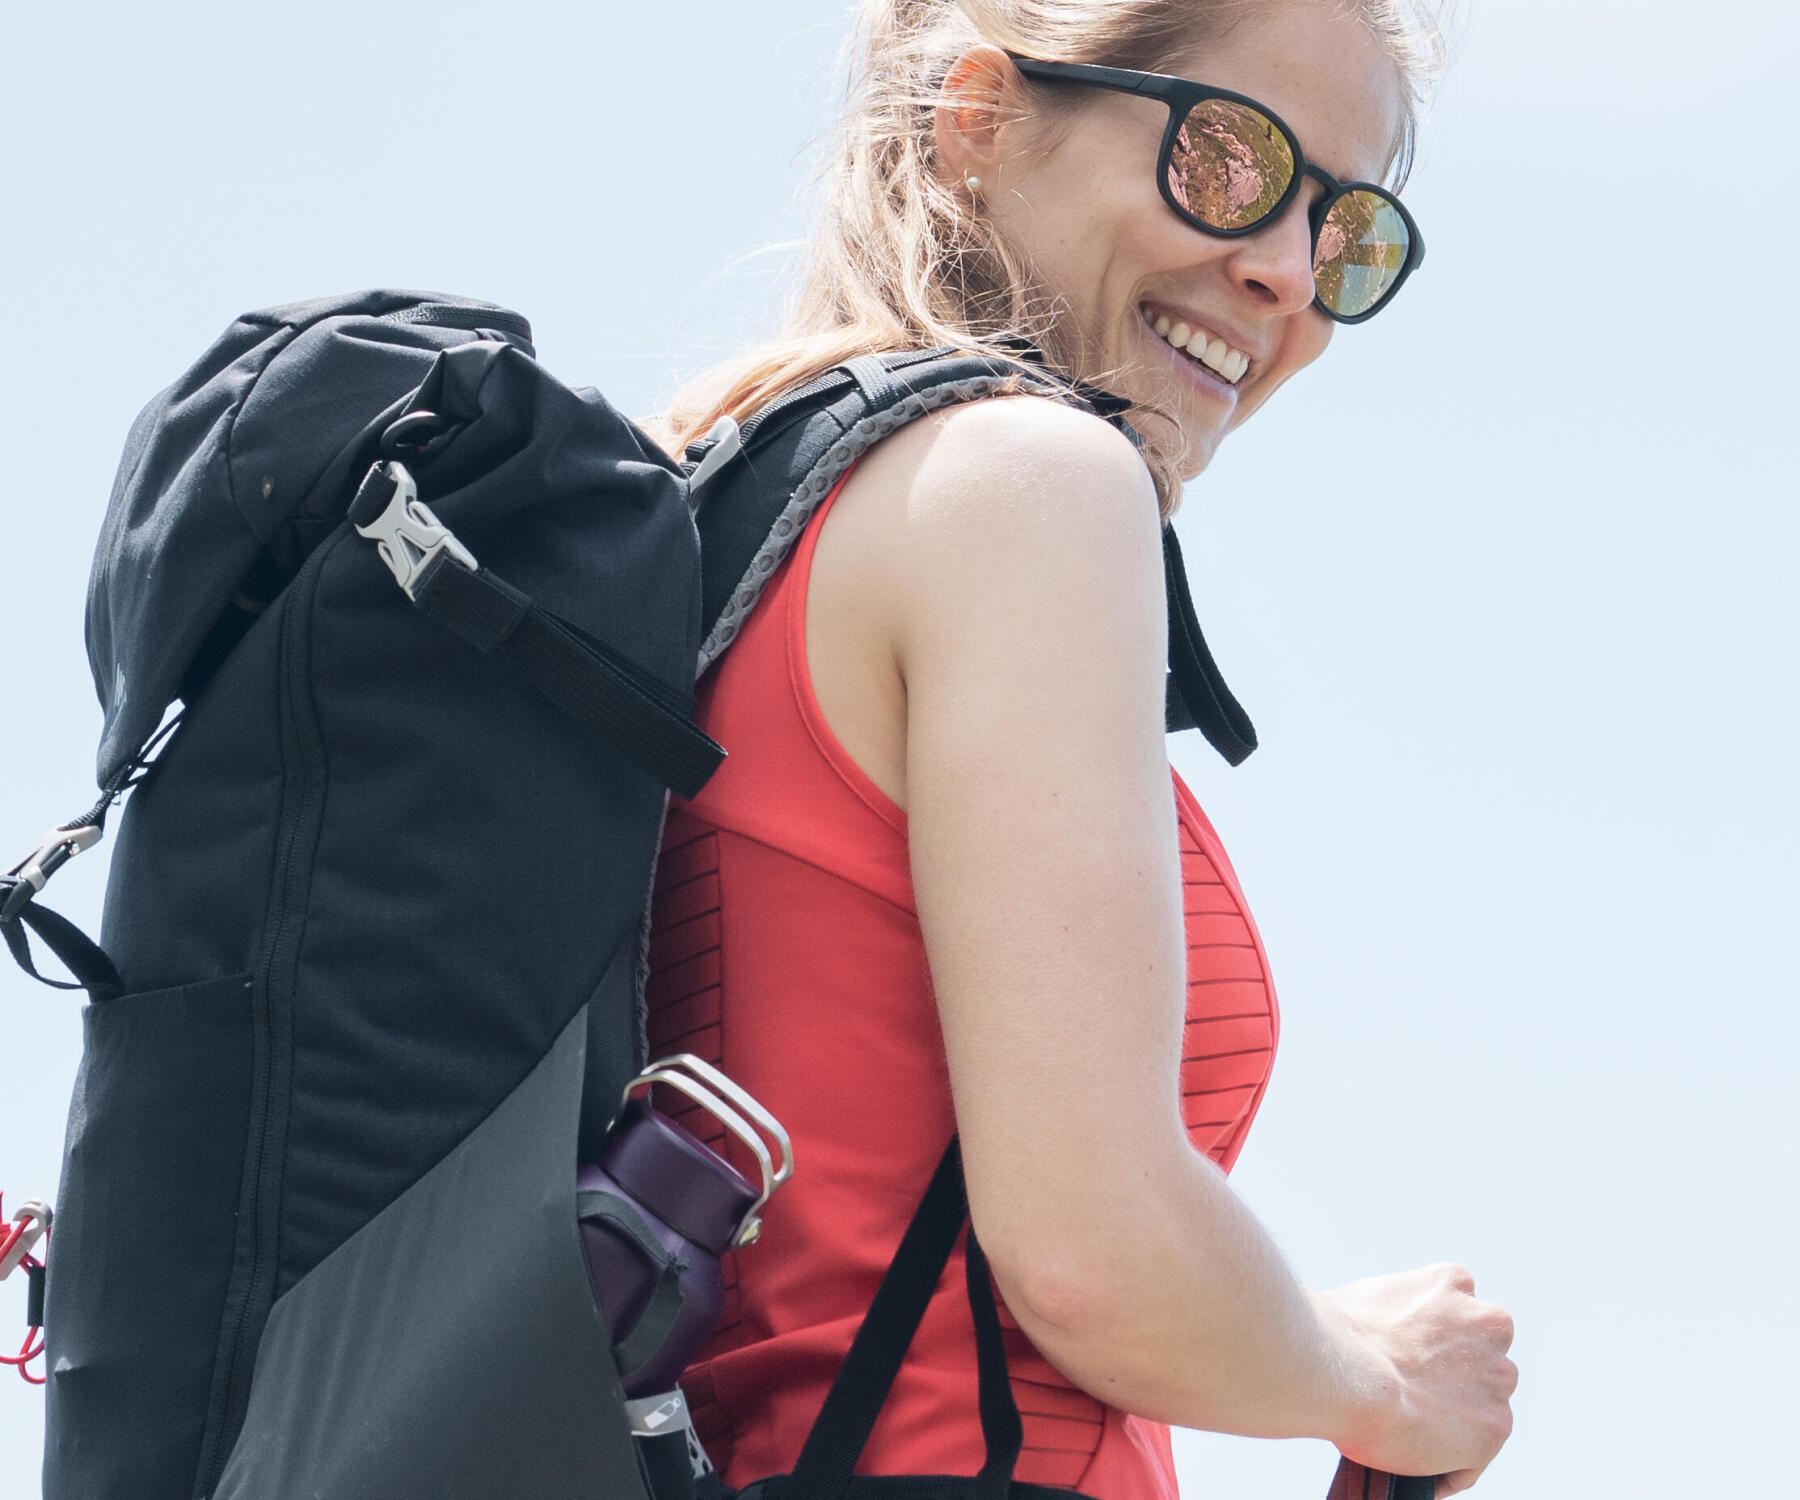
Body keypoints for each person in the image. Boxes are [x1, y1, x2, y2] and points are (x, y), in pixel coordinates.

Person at [639, 2, 1517, 1497]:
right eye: (1229, 160)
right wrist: (1383, 1385)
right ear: (980, 115)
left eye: (1347, 229)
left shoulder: (710, 504)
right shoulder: (1028, 481)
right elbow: (1095, 1253)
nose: (1288, 274)